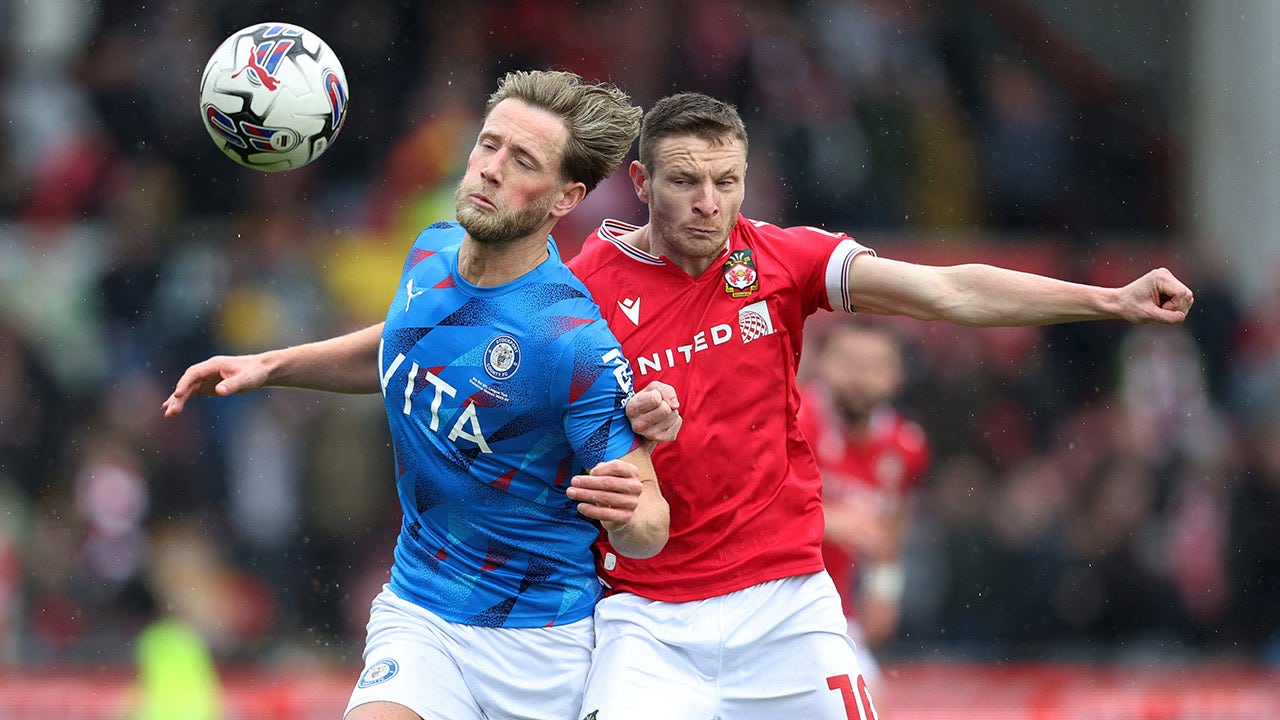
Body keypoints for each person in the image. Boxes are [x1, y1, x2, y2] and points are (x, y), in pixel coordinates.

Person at [566, 91, 1194, 720]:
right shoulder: (582, 287)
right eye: (685, 181)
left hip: (787, 606)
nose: (710, 203)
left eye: (727, 182)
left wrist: (1110, 300)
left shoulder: (782, 259)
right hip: (646, 615)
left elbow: (949, 291)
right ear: (641, 183)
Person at [162, 70, 674, 720]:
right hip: (420, 613)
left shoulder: (569, 342)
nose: (490, 169)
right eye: (488, 145)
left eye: (521, 161)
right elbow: (402, 344)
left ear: (565, 197)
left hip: (543, 649)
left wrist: (630, 517)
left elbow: (649, 522)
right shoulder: (429, 253)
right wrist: (268, 364)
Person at [795, 320, 929, 693]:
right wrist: (826, 520)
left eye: (874, 366)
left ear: (897, 376)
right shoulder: (790, 419)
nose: (859, 377)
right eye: (849, 362)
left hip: (831, 609)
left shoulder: (906, 446)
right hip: (762, 596)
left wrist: (885, 588)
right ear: (822, 364)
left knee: (872, 699)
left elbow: (894, 518)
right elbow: (744, 505)